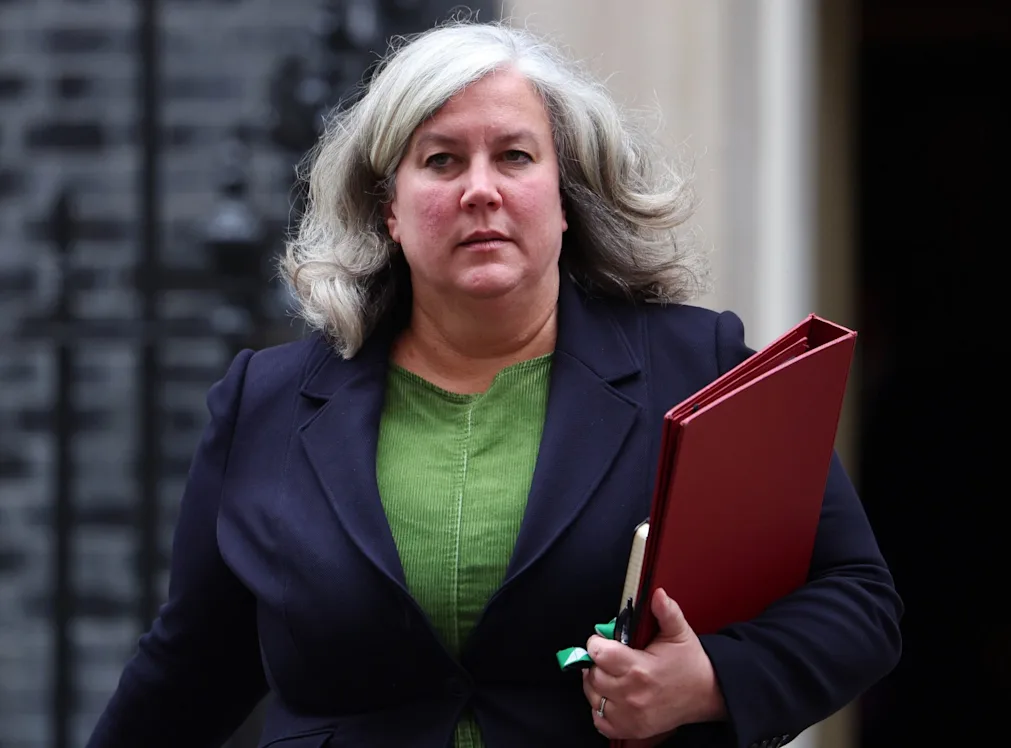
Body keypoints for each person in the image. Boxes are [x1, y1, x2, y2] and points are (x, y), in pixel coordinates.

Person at [85, 19, 902, 748]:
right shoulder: (262, 402)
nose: (481, 188)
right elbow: (193, 666)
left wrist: (709, 682)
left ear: (564, 196)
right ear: (389, 211)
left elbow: (856, 602)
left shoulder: (696, 367)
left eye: (514, 155)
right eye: (441, 160)